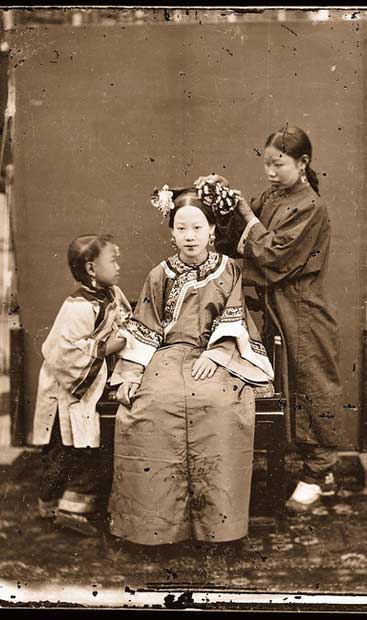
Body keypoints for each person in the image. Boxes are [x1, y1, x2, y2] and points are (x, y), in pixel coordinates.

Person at [108, 184, 273, 549]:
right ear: (171, 233)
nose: (190, 236)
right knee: (147, 407)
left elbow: (234, 319)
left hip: (217, 352)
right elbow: (146, 324)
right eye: (181, 228)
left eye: (198, 227)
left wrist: (215, 355)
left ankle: (218, 528)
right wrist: (132, 373)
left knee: (219, 405)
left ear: (212, 230)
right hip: (167, 354)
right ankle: (154, 527)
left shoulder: (228, 269)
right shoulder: (159, 274)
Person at [196, 125, 343, 513]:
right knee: (285, 383)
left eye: (278, 164)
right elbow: (237, 236)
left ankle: (317, 472)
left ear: (303, 163)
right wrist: (223, 200)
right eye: (266, 164)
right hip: (275, 304)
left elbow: (273, 255)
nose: (270, 172)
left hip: (302, 307)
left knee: (311, 382)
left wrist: (244, 211)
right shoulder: (276, 197)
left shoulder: (310, 206)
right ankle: (319, 470)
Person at [31, 234, 132, 536]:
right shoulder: (77, 306)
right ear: (91, 268)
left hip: (89, 383)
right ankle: (52, 504)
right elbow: (62, 354)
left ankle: (72, 509)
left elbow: (124, 318)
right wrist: (109, 347)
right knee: (64, 450)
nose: (118, 266)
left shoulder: (112, 292)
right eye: (112, 260)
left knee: (86, 449)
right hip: (66, 387)